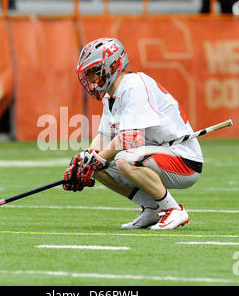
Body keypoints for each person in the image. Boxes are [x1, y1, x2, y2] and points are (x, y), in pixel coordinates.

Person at [63, 38, 203, 230]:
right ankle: (152, 208)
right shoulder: (111, 95)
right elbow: (104, 137)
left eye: (95, 72)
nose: (92, 79)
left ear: (114, 65)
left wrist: (96, 159)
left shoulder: (134, 86)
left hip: (183, 159)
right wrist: (84, 162)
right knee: (96, 164)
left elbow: (128, 139)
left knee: (123, 159)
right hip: (156, 155)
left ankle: (173, 209)